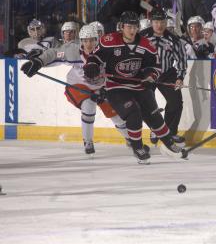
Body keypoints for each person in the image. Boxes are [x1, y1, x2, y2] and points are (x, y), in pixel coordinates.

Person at [83, 11, 186, 163]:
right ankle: (137, 147)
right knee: (133, 113)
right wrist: (91, 65)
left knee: (154, 115)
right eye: (129, 27)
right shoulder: (109, 40)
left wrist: (150, 77)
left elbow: (155, 66)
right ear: (122, 27)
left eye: (135, 27)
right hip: (116, 87)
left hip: (139, 86)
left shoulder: (146, 44)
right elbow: (95, 56)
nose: (132, 30)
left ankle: (169, 144)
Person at [20, 24, 129, 154]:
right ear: (80, 41)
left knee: (115, 114)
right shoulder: (72, 50)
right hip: (78, 85)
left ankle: (131, 139)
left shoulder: (107, 52)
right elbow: (53, 53)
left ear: (97, 39)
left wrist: (108, 88)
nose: (88, 44)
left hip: (101, 87)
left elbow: (117, 72)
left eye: (92, 40)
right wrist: (38, 61)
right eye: (85, 40)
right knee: (89, 106)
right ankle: (88, 142)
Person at [140, 9, 188, 144]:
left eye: (162, 22)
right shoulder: (142, 36)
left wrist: (180, 77)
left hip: (167, 74)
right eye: (156, 22)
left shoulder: (173, 39)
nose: (159, 25)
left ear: (166, 22)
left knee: (176, 103)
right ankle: (155, 129)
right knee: (148, 104)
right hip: (147, 74)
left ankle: (170, 133)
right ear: (151, 22)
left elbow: (181, 59)